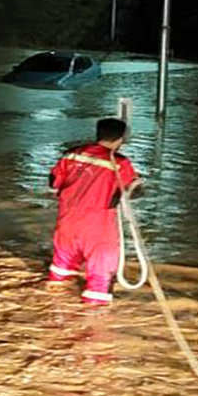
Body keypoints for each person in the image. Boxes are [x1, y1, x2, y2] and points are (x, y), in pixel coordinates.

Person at [48, 118, 141, 306]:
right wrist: (138, 184)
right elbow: (132, 192)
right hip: (97, 230)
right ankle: (93, 325)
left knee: (59, 275)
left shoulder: (71, 155)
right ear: (121, 139)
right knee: (99, 285)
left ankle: (52, 308)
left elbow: (53, 182)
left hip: (66, 224)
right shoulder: (120, 163)